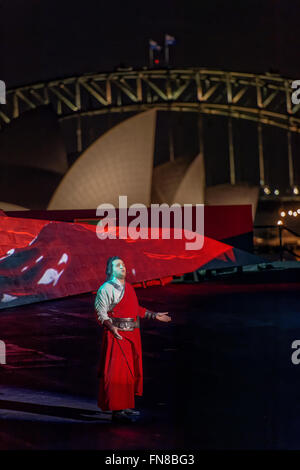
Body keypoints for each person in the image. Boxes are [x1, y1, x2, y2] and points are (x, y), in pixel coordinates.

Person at [95, 256, 171, 422]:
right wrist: (111, 327)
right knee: (117, 373)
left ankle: (125, 405)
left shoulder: (129, 287)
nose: (122, 267)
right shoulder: (105, 289)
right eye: (117, 265)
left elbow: (135, 309)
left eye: (123, 264)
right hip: (117, 335)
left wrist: (154, 315)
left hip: (132, 335)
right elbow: (101, 313)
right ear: (109, 270)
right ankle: (117, 411)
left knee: (130, 371)